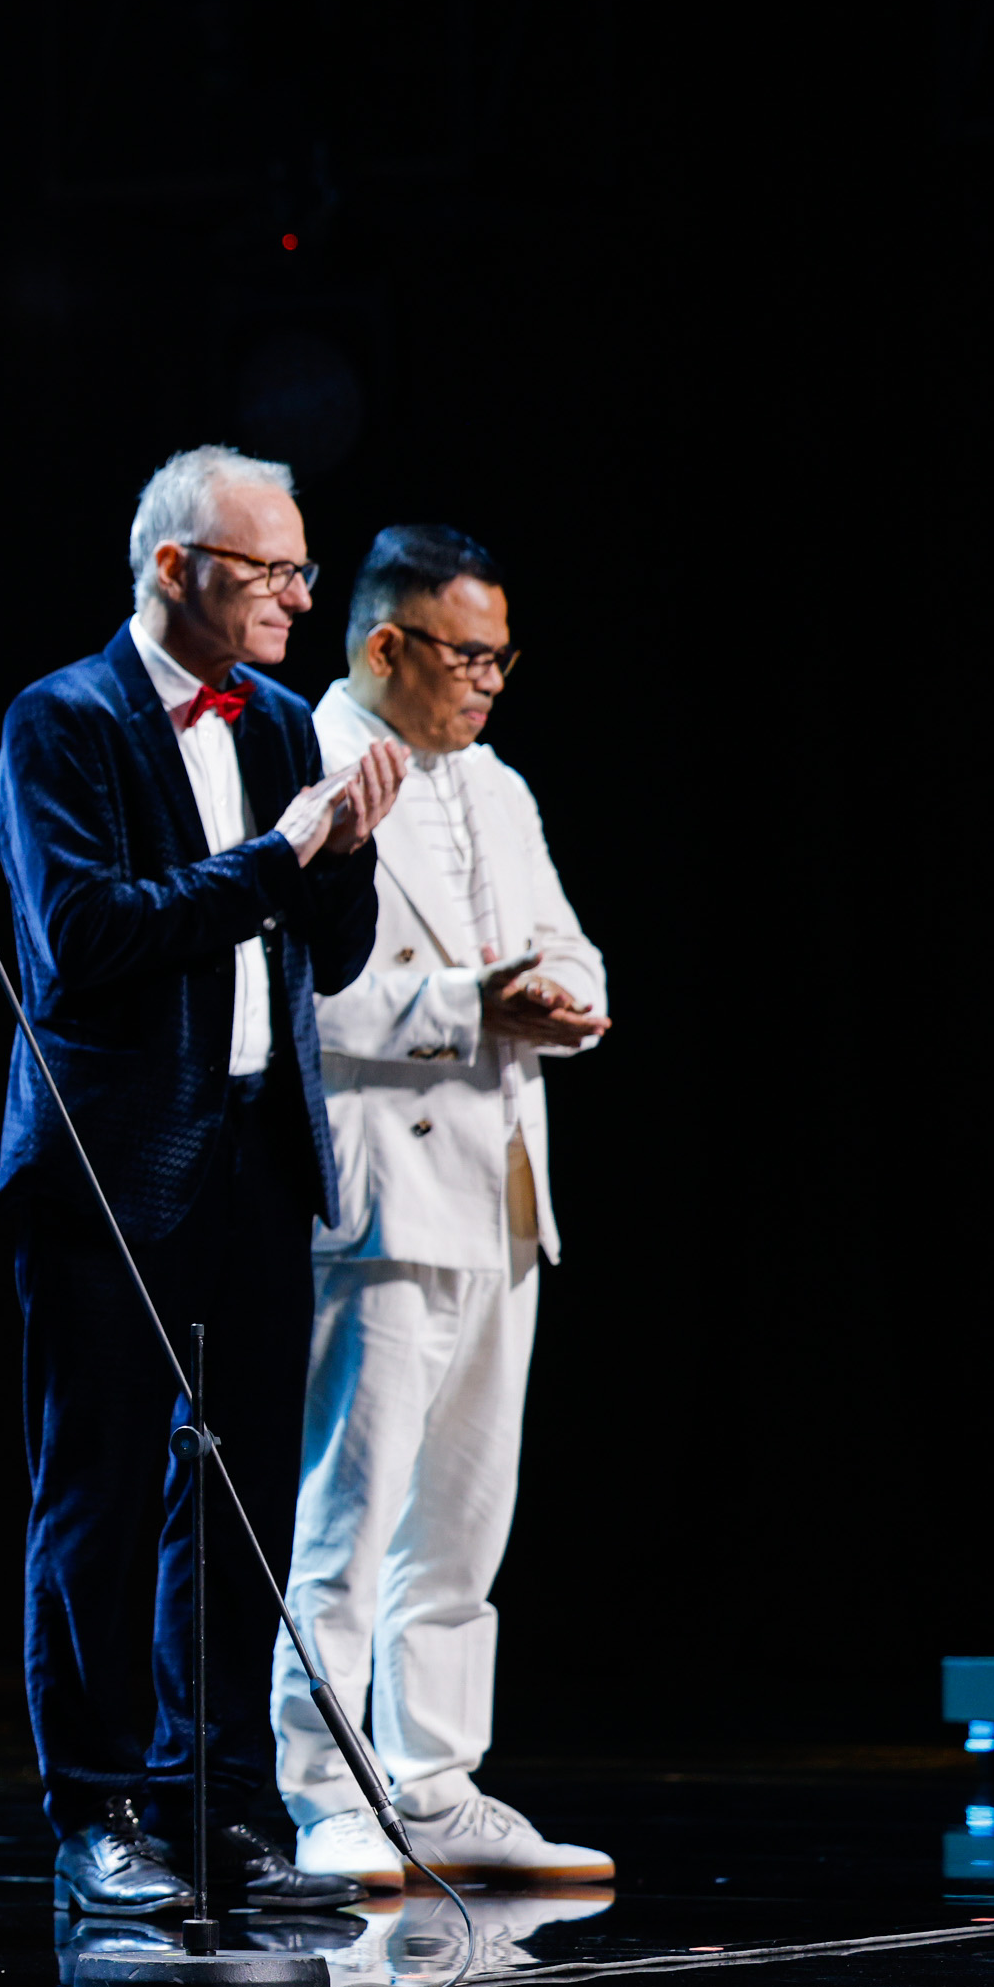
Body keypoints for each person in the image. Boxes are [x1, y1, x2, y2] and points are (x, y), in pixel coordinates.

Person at [0, 445, 402, 1917]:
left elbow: (329, 955)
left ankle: (219, 1805)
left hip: (257, 1150)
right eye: (270, 570)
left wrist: (346, 851)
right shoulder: (62, 719)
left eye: (302, 566)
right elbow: (82, 943)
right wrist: (279, 858)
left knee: (239, 1503)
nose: (299, 593)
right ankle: (97, 1809)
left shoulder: (288, 721)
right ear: (177, 569)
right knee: (96, 1492)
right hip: (112, 1160)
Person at [276, 527, 613, 1887]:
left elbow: (568, 936)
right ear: (386, 646)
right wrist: (475, 1001)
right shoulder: (305, 764)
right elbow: (312, 995)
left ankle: (437, 1779)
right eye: (469, 655)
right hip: (379, 1189)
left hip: (501, 1184)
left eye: (501, 655)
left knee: (467, 1517)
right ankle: (324, 1786)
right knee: (350, 1511)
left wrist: (574, 998)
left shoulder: (500, 785)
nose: (491, 681)